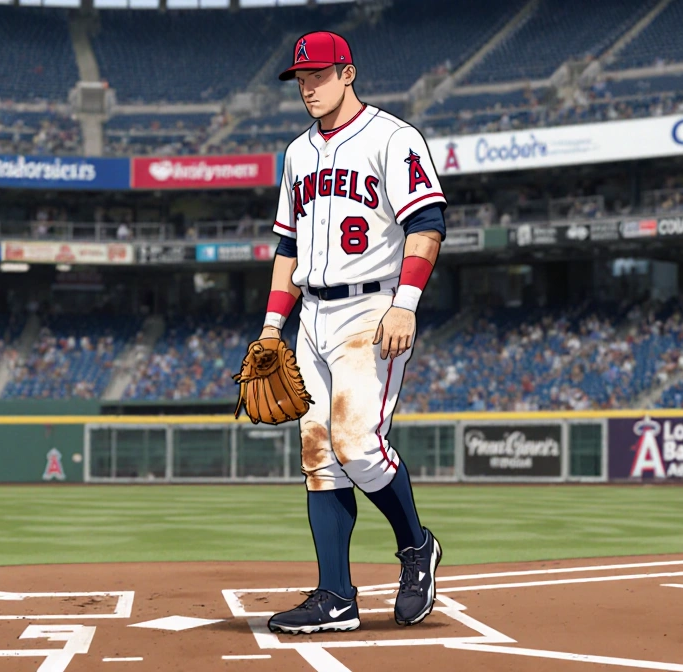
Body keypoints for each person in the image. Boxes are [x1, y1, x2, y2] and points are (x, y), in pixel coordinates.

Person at [258, 31, 447, 635]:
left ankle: (416, 547)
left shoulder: (393, 138)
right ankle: (336, 597)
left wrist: (406, 304)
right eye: (301, 79)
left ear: (348, 73)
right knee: (319, 455)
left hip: (372, 309)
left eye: (319, 75)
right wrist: (272, 327)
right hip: (311, 314)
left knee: (359, 445)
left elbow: (426, 225)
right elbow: (287, 247)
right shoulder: (297, 153)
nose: (308, 88)